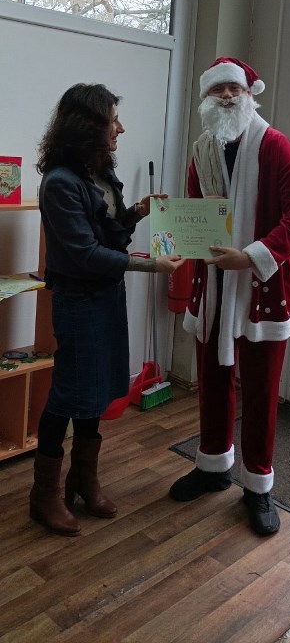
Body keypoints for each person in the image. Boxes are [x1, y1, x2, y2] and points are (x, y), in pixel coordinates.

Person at [169, 57, 290, 535]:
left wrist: (250, 256)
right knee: (212, 380)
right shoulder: (202, 149)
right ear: (207, 99)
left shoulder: (275, 146)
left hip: (260, 288)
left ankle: (257, 486)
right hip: (213, 287)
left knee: (260, 390)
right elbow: (193, 215)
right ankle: (212, 466)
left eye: (235, 89)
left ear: (250, 94)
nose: (228, 96)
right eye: (218, 90)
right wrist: (178, 245)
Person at [30, 83, 183, 536]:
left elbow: (108, 231)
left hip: (106, 297)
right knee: (68, 395)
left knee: (95, 390)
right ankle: (44, 495)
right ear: (88, 125)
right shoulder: (60, 182)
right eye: (113, 120)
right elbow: (84, 253)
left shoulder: (97, 172)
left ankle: (83, 479)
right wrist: (152, 265)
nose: (121, 128)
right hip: (78, 301)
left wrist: (136, 212)